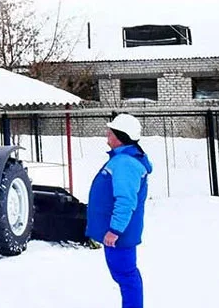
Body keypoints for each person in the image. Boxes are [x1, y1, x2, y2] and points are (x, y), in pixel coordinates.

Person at [86, 112, 153, 308]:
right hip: (119, 232)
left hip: (120, 234)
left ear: (120, 136)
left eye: (110, 132)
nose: (107, 134)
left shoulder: (125, 163)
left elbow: (125, 201)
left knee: (126, 276)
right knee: (124, 275)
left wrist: (115, 231)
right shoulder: (123, 159)